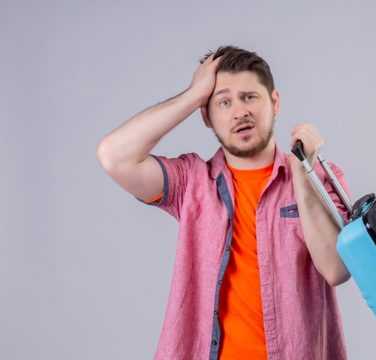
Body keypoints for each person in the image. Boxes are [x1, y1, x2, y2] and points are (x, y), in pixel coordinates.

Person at [97, 45, 351, 360]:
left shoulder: (321, 178)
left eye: (250, 97)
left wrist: (303, 178)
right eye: (223, 102)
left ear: (275, 102)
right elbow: (114, 156)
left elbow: (336, 269)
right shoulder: (191, 182)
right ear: (207, 116)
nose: (239, 111)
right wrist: (193, 96)